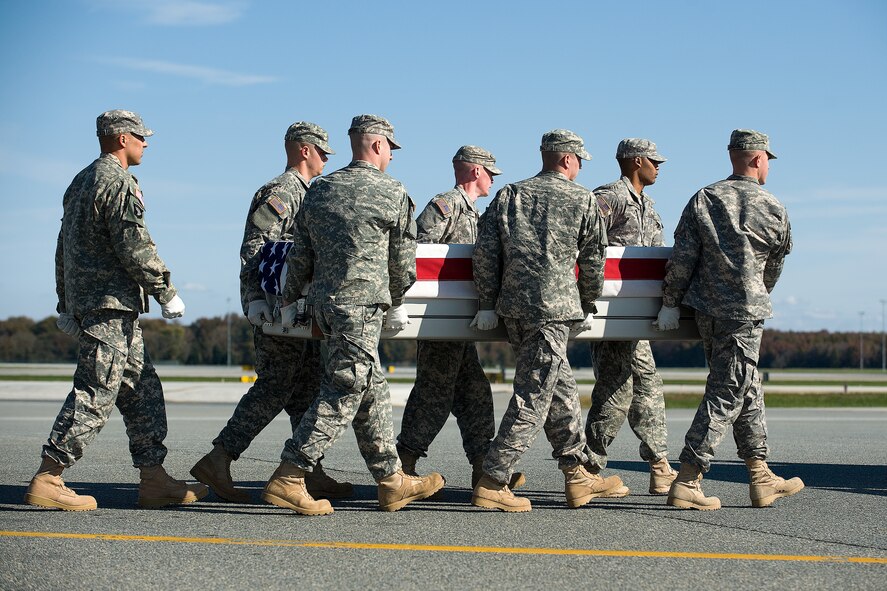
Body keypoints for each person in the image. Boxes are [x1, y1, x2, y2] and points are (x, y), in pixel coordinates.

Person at [24, 110, 207, 511]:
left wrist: (65, 300)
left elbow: (63, 247)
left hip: (99, 303)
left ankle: (153, 478)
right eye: (141, 137)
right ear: (122, 138)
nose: (147, 143)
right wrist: (165, 290)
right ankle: (49, 475)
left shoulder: (81, 180)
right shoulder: (117, 181)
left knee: (141, 388)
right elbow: (134, 243)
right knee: (96, 388)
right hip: (109, 304)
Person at [263, 114, 445, 515]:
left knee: (371, 389)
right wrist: (394, 299)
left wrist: (292, 298)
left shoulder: (321, 188)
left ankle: (391, 480)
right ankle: (290, 474)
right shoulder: (392, 191)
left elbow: (301, 255)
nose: (391, 158)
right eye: (391, 150)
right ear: (378, 146)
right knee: (345, 390)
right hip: (362, 309)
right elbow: (404, 263)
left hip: (324, 307)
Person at [190, 122, 352, 503]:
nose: (328, 158)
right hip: (275, 313)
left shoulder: (309, 193)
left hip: (297, 312)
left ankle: (310, 471)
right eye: (322, 150)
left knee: (306, 386)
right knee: (276, 385)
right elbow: (255, 246)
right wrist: (254, 298)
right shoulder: (283, 191)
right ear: (303, 150)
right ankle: (219, 458)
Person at [470, 129, 624, 512]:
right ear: (569, 160)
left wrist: (489, 302)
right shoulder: (582, 199)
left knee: (559, 390)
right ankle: (493, 478)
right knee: (534, 397)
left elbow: (485, 254)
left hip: (514, 310)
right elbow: (592, 261)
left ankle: (577, 475)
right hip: (554, 310)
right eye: (580, 162)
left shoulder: (510, 195)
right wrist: (587, 302)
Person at [654, 129, 804, 510]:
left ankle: (760, 475)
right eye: (768, 158)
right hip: (746, 310)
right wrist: (756, 291)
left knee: (745, 385)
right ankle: (688, 477)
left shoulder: (705, 197)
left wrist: (671, 301)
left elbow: (683, 257)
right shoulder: (773, 206)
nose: (768, 165)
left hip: (707, 310)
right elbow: (773, 267)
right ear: (757, 159)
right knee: (729, 389)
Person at [396, 145, 524, 490]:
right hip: (440, 323)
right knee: (432, 395)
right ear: (475, 172)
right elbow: (418, 252)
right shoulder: (446, 205)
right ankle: (403, 465)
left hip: (459, 326)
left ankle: (483, 466)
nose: (493, 180)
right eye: (490, 173)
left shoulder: (472, 213)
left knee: (475, 394)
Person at [583, 138, 676, 496]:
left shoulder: (647, 205)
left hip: (635, 316)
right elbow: (583, 236)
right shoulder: (610, 198)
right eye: (655, 160)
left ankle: (660, 466)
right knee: (615, 390)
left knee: (647, 388)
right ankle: (589, 466)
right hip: (610, 314)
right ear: (637, 161)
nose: (659, 167)